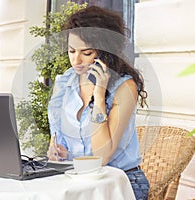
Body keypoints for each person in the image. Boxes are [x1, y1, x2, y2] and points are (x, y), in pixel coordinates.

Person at [47, 6, 149, 199]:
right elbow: (58, 139)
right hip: (77, 182)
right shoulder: (64, 82)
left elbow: (103, 155)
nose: (76, 60)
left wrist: (99, 94)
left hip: (120, 183)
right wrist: (56, 152)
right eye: (71, 51)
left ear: (105, 52)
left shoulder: (124, 86)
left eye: (86, 53)